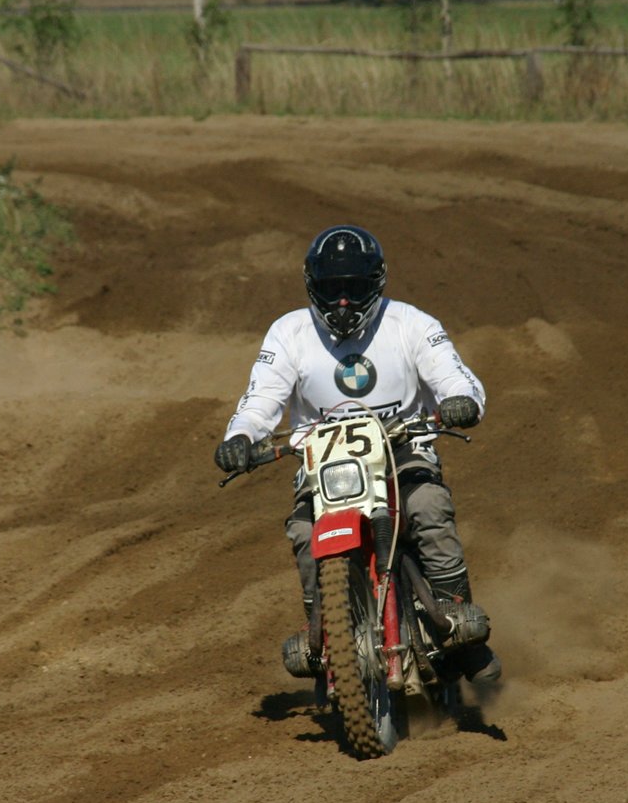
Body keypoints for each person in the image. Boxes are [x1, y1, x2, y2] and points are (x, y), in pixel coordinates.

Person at [215, 225, 501, 685]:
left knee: (428, 508)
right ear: (313, 286)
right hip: (325, 463)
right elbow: (260, 401)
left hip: (403, 448)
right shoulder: (288, 333)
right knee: (304, 533)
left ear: (376, 283)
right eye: (332, 289)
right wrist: (241, 436)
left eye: (354, 288)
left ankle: (457, 625)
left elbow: (455, 377)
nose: (344, 301)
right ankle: (327, 638)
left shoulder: (413, 324)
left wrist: (460, 401)